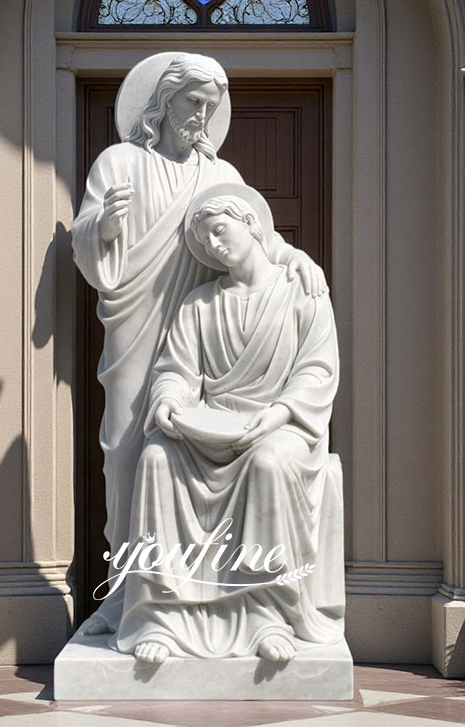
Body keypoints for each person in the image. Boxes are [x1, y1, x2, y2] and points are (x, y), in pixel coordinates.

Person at [71, 53, 327, 633]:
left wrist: (297, 258)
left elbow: (253, 237)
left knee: (206, 457)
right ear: (163, 102)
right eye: (194, 102)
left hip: (207, 327)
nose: (203, 116)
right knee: (128, 455)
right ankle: (129, 594)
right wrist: (104, 228)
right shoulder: (119, 162)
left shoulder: (221, 176)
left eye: (212, 107)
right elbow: (88, 245)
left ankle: (225, 595)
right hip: (137, 325)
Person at [113, 184, 345, 664]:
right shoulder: (199, 303)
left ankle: (266, 616)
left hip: (280, 425)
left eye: (221, 231)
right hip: (210, 429)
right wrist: (168, 405)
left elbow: (317, 369)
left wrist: (277, 414)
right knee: (157, 456)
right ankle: (165, 617)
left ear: (251, 224)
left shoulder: (301, 291)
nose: (216, 246)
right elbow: (176, 370)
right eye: (207, 241)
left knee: (269, 463)